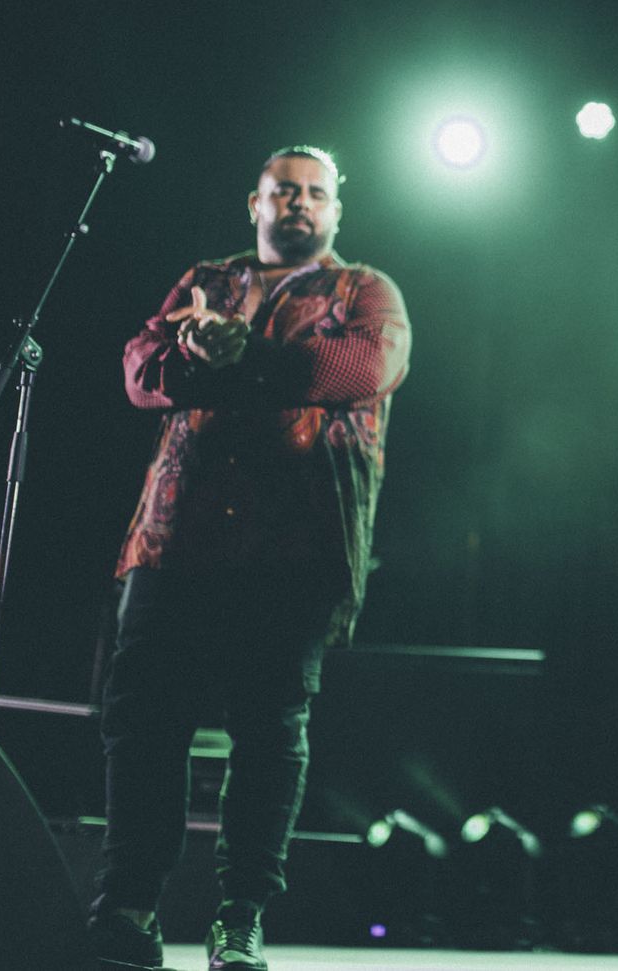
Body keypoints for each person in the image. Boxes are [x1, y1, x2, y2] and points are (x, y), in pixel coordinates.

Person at [87, 145, 411, 971]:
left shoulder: (362, 290)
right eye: (283, 191)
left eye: (314, 193)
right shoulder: (207, 279)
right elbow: (138, 371)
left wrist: (245, 357)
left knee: (269, 733)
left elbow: (365, 366)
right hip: (174, 538)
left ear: (337, 209)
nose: (298, 204)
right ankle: (128, 908)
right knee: (144, 725)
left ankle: (240, 916)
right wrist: (196, 352)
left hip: (293, 546)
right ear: (254, 202)